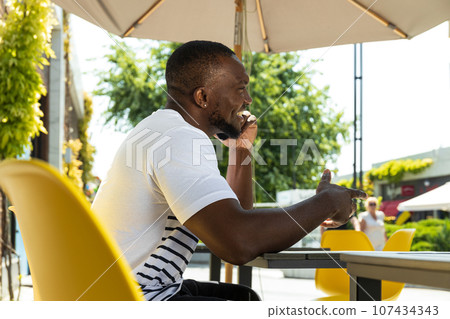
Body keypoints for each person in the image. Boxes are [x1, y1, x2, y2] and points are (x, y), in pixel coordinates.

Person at [92, 40, 367, 301]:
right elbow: (239, 242)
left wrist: (241, 148)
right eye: (240, 88)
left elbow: (237, 217)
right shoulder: (179, 137)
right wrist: (328, 203)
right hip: (132, 298)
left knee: (244, 297)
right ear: (202, 97)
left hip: (117, 290)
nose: (247, 99)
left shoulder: (159, 129)